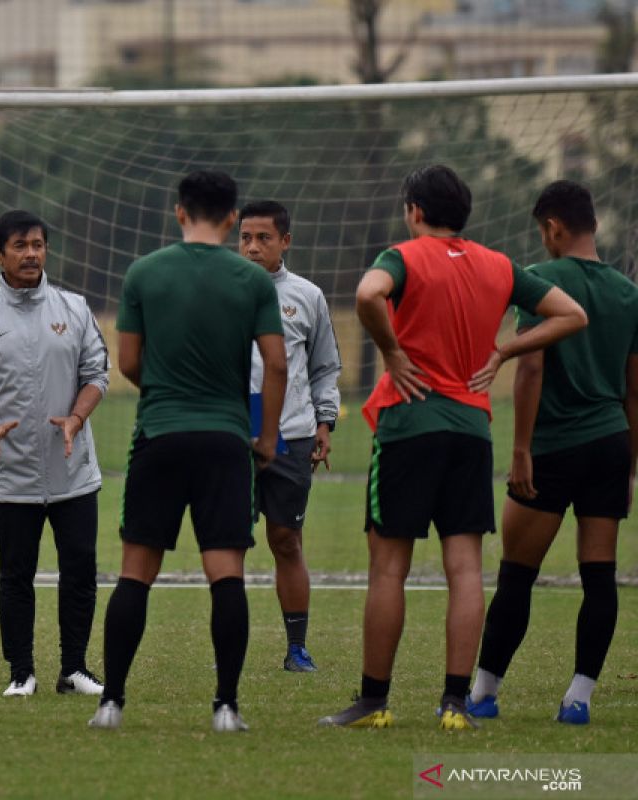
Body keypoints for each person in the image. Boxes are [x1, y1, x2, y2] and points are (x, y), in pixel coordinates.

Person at [319, 165, 587, 732]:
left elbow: (368, 293)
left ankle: (373, 702)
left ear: (414, 210)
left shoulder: (404, 256)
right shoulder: (499, 265)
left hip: (408, 426)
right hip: (471, 429)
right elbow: (573, 314)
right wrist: (506, 351)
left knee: (389, 567)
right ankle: (455, 705)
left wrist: (390, 352)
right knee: (465, 568)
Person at [89, 170, 288, 733]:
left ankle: (112, 703)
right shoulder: (253, 281)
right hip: (226, 441)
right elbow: (276, 364)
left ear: (180, 213)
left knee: (136, 574)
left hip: (160, 434)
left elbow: (128, 362)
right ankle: (226, 706)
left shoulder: (144, 273)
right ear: (231, 220)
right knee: (226, 574)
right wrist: (266, 437)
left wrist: (168, 386)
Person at [469, 181, 638, 726]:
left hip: (554, 447)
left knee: (517, 575)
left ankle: (484, 692)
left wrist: (521, 450)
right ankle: (579, 698)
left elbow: (533, 366)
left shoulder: (540, 281)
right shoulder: (627, 293)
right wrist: (629, 461)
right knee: (599, 576)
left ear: (553, 227)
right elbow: (636, 387)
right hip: (611, 442)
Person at [0, 209, 110, 697]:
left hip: (73, 468)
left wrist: (77, 418)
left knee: (80, 569)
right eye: (20, 246)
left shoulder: (74, 308)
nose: (31, 254)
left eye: (38, 244)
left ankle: (75, 668)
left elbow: (96, 375)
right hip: (11, 472)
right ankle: (21, 672)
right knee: (15, 575)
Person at [238, 200, 341, 673]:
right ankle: (230, 646)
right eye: (245, 237)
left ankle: (297, 648)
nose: (253, 246)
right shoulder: (222, 291)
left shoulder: (308, 296)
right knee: (229, 540)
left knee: (286, 538)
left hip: (291, 432)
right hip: (234, 431)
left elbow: (324, 368)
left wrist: (325, 422)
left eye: (263, 238)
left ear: (285, 242)